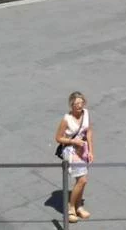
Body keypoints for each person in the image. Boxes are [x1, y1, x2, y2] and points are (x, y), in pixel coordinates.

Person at [54, 91, 93, 222]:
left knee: (82, 179)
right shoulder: (67, 119)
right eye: (76, 104)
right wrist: (73, 141)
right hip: (70, 150)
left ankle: (79, 206)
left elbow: (89, 132)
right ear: (71, 105)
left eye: (81, 103)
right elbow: (58, 138)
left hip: (83, 149)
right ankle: (71, 208)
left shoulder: (86, 114)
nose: (79, 106)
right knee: (83, 180)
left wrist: (91, 150)